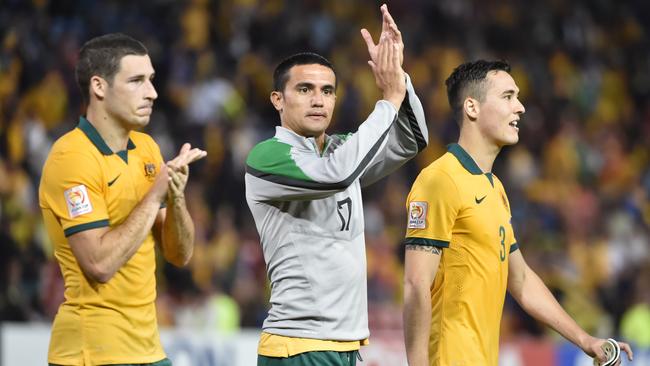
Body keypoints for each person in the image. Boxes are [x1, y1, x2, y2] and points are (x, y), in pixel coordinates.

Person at [402, 60, 634, 366]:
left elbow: (521, 280)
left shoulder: (495, 188)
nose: (520, 107)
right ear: (472, 107)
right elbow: (416, 284)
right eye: (508, 97)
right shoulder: (440, 180)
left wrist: (585, 339)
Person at [245, 5, 427, 366]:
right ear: (277, 99)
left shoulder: (341, 151)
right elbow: (335, 175)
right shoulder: (268, 156)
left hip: (345, 346)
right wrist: (388, 100)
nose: (318, 99)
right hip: (298, 345)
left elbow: (413, 138)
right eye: (305, 89)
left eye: (327, 91)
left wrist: (398, 76)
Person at [39, 33, 206, 366]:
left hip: (148, 350)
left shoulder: (146, 149)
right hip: (92, 353)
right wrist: (156, 193)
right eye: (137, 81)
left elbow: (179, 254)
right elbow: (99, 264)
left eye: (152, 80)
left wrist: (175, 198)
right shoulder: (71, 158)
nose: (152, 92)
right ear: (99, 87)